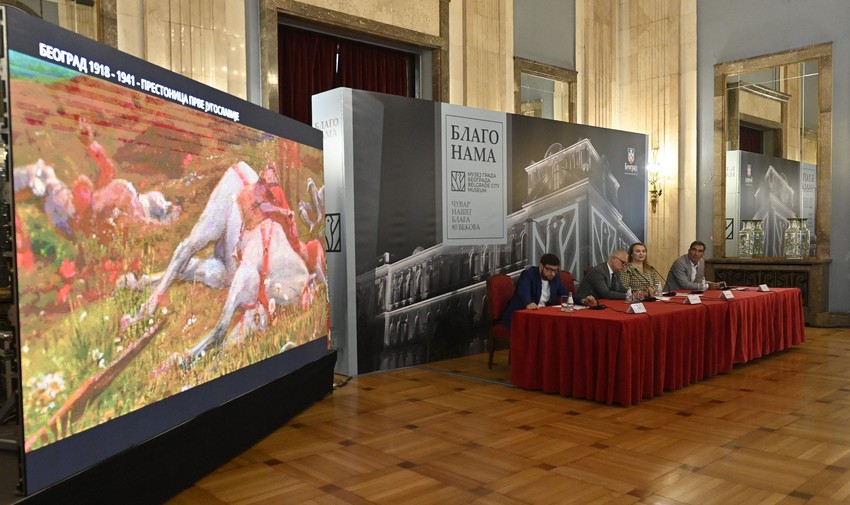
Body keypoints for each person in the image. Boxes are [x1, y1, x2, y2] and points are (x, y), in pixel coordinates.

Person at [500, 253, 569, 327]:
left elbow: (565, 294)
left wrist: (578, 301)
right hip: (521, 318)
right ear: (541, 266)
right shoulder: (529, 274)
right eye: (549, 269)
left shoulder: (555, 278)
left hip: (542, 316)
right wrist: (528, 303)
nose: (552, 274)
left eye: (555, 270)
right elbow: (523, 291)